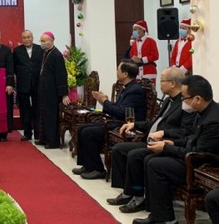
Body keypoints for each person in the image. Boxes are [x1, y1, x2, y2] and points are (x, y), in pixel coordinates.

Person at [133, 75, 219, 224]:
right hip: (191, 156)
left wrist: (166, 148)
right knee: (149, 159)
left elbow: (199, 155)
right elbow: (191, 138)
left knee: (156, 165)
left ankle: (164, 219)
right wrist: (172, 143)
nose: (183, 102)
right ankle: (158, 214)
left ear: (197, 99)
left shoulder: (213, 120)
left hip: (201, 165)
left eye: (185, 98)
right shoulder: (202, 111)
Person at [107, 67, 194, 213]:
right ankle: (128, 192)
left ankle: (138, 196)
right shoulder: (168, 100)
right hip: (150, 138)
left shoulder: (184, 104)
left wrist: (163, 132)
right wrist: (135, 124)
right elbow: (154, 122)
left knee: (135, 155)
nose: (159, 84)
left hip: (164, 143)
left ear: (172, 83)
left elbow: (186, 131)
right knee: (119, 149)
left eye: (162, 80)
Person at [72, 59, 146, 180]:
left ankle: (98, 169)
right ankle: (88, 165)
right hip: (116, 121)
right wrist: (105, 100)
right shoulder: (126, 87)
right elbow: (117, 108)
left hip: (124, 125)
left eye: (118, 70)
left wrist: (104, 102)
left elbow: (122, 113)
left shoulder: (135, 90)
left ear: (125, 74)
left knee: (88, 133)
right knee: (82, 128)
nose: (116, 72)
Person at [35, 31, 69, 148]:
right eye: (41, 41)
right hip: (44, 90)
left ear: (51, 41)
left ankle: (53, 142)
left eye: (44, 41)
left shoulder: (56, 55)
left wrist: (64, 94)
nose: (42, 43)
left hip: (52, 92)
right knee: (43, 114)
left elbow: (61, 75)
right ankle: (44, 138)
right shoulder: (46, 53)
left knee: (51, 116)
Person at [13, 30, 43, 141]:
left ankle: (38, 133)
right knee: (24, 110)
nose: (27, 39)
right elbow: (14, 67)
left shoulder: (40, 49)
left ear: (32, 37)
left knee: (37, 108)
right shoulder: (17, 51)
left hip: (37, 84)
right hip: (23, 85)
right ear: (22, 39)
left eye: (29, 37)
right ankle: (27, 133)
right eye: (24, 37)